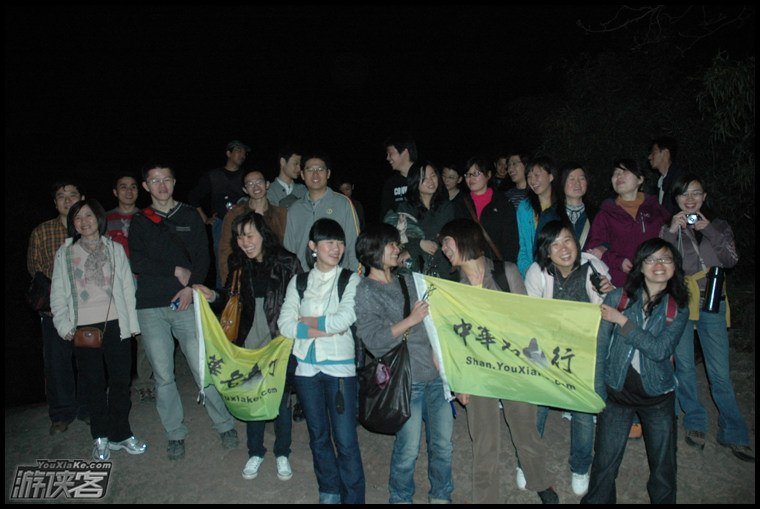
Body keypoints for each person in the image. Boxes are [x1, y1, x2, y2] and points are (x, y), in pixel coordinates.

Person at [128, 163, 238, 461]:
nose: (161, 185)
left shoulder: (189, 215)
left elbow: (203, 258)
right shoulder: (140, 220)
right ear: (146, 186)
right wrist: (173, 269)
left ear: (174, 182)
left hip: (186, 301)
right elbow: (137, 261)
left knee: (202, 367)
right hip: (150, 306)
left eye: (166, 179)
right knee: (163, 375)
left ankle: (224, 424)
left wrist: (190, 288)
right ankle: (175, 433)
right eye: (155, 181)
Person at [194, 211, 303, 480]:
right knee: (252, 394)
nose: (245, 242)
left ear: (263, 234)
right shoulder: (238, 263)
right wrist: (212, 295)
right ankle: (255, 452)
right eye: (240, 237)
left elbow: (303, 297)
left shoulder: (287, 261)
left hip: (279, 340)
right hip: (249, 340)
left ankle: (282, 453)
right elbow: (230, 299)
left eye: (249, 235)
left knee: (279, 398)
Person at [582, 238, 689, 504]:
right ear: (640, 266)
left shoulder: (677, 307)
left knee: (664, 466)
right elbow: (600, 348)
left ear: (674, 265)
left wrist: (622, 321)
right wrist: (599, 392)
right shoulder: (619, 297)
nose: (659, 265)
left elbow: (659, 350)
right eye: (651, 259)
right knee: (604, 463)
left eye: (665, 259)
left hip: (658, 397)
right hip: (617, 394)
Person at [354, 222, 453, 504]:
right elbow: (373, 340)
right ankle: (400, 497)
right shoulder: (365, 290)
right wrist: (410, 320)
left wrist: (437, 352)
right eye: (391, 244)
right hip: (405, 380)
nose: (397, 249)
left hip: (435, 375)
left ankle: (441, 495)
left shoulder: (407, 280)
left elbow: (432, 323)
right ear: (373, 250)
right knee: (408, 449)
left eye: (396, 244)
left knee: (443, 445)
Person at [660, 174, 753, 462]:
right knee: (685, 367)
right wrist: (670, 232)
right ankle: (695, 421)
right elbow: (661, 266)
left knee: (719, 372)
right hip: (683, 303)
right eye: (683, 194)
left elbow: (731, 260)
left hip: (713, 303)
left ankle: (733, 431)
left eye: (696, 193)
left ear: (704, 196)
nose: (690, 199)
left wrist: (708, 229)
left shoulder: (719, 226)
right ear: (676, 199)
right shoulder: (670, 228)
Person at [50, 198, 146, 461]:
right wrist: (64, 325)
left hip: (116, 323)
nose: (84, 222)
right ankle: (101, 436)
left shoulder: (114, 249)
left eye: (88, 216)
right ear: (73, 223)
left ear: (99, 218)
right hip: (83, 327)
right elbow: (57, 292)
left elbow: (127, 287)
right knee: (94, 384)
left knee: (120, 381)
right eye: (78, 218)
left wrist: (132, 325)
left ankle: (121, 434)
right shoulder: (65, 253)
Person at [278, 219, 365, 504]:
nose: (336, 248)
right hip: (306, 369)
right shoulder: (299, 281)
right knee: (317, 435)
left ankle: (353, 498)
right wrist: (323, 329)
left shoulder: (350, 279)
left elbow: (345, 319)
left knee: (346, 439)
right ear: (313, 246)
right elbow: (285, 325)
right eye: (329, 242)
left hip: (339, 368)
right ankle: (329, 491)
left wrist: (306, 322)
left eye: (340, 242)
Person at [524, 221, 614, 496]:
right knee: (537, 405)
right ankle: (527, 462)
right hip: (546, 347)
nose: (563, 249)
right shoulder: (537, 272)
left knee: (583, 410)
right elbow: (529, 317)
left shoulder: (594, 268)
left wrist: (606, 294)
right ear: (546, 250)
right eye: (554, 244)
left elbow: (607, 316)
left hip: (584, 350)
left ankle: (580, 466)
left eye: (567, 240)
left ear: (576, 242)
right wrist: (537, 356)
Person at [27, 179, 89, 435]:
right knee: (56, 364)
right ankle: (61, 414)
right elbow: (34, 268)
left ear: (81, 198)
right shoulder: (42, 231)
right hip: (54, 310)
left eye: (72, 194)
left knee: (88, 360)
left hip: (87, 309)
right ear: (55, 202)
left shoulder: (90, 227)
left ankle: (88, 408)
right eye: (61, 196)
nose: (67, 200)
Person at [106, 173, 155, 404]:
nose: (129, 191)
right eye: (123, 187)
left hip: (143, 281)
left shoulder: (148, 216)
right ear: (115, 192)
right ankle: (119, 385)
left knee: (145, 335)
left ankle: (145, 383)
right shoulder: (105, 219)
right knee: (120, 335)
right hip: (115, 285)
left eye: (133, 187)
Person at [586, 159, 671, 288]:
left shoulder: (656, 210)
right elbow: (594, 248)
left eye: (624, 172)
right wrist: (618, 261)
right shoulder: (606, 213)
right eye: (616, 173)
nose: (619, 176)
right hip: (619, 283)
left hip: (653, 281)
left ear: (640, 179)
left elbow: (670, 241)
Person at [187, 140, 251, 289]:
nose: (242, 155)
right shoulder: (214, 175)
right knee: (223, 263)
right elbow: (193, 197)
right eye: (238, 150)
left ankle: (246, 296)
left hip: (244, 225)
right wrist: (205, 219)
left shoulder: (246, 176)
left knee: (247, 262)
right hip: (221, 225)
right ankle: (222, 297)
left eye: (244, 152)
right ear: (228, 153)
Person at [283, 153, 361, 271]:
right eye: (310, 170)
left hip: (337, 276)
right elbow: (289, 250)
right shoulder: (295, 210)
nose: (315, 174)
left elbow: (354, 244)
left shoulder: (343, 204)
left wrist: (355, 276)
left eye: (320, 169)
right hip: (304, 277)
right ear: (302, 175)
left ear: (328, 173)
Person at [384, 161, 455, 278]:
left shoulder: (446, 206)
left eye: (433, 175)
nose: (430, 181)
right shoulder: (405, 208)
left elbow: (442, 238)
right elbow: (399, 236)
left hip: (442, 269)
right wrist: (419, 244)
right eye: (424, 178)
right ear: (415, 181)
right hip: (414, 271)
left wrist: (415, 248)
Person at [218, 170, 288, 285]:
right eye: (250, 184)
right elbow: (225, 251)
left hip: (275, 277)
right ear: (245, 190)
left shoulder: (281, 214)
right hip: (245, 278)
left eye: (259, 182)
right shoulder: (234, 215)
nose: (255, 187)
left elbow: (288, 248)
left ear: (267, 184)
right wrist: (229, 284)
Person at [460, 156, 520, 264]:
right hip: (469, 265)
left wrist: (507, 266)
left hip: (497, 266)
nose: (471, 178)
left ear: (488, 175)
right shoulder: (460, 204)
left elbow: (511, 241)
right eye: (468, 174)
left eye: (476, 173)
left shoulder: (502, 202)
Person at [516, 156, 561, 277]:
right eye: (529, 176)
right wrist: (528, 270)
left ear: (551, 176)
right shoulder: (525, 207)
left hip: (560, 270)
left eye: (537, 175)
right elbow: (522, 246)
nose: (532, 180)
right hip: (535, 271)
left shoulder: (563, 206)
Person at [556, 163, 597, 250]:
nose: (577, 183)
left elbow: (606, 242)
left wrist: (602, 248)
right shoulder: (550, 215)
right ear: (562, 182)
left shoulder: (597, 215)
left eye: (582, 179)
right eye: (572, 179)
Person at [380, 132, 417, 218]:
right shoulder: (391, 184)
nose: (387, 158)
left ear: (405, 152)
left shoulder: (426, 178)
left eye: (390, 153)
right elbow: (385, 215)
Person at [648, 136, 686, 214]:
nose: (649, 157)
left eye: (653, 152)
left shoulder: (680, 178)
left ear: (665, 153)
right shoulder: (661, 181)